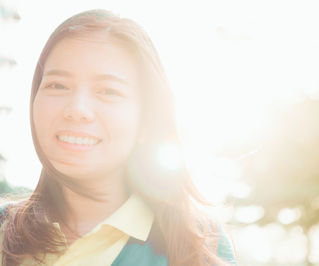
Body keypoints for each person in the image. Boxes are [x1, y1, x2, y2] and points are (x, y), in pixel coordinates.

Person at [0, 9, 236, 266]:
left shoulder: (198, 244)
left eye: (108, 91)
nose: (76, 109)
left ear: (147, 119)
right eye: (58, 85)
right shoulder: (5, 231)